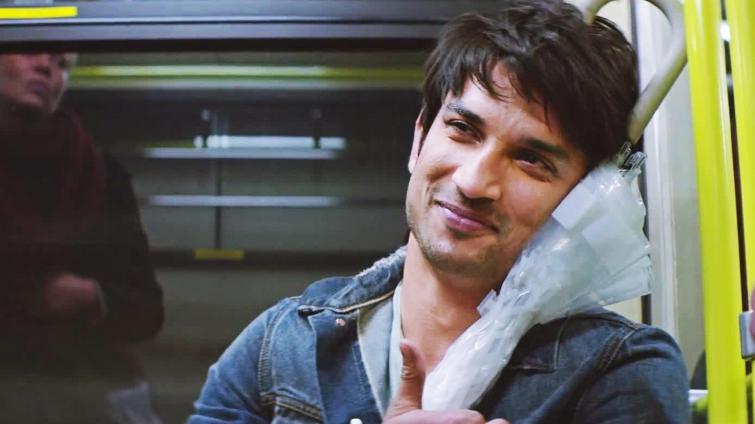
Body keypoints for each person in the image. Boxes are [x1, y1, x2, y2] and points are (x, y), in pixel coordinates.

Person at [190, 1, 689, 422]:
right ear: (419, 140)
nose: (473, 182)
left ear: (582, 199)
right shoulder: (283, 346)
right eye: (463, 130)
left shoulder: (617, 372)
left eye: (530, 159)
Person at [0, 52, 164, 423]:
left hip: (81, 394)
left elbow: (147, 309)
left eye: (62, 63)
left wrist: (91, 296)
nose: (47, 67)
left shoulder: (101, 174)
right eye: (30, 51)